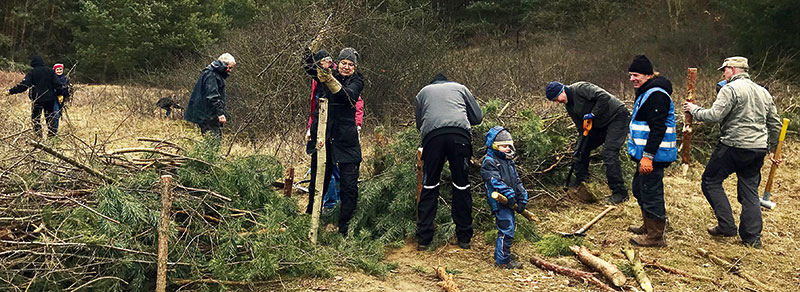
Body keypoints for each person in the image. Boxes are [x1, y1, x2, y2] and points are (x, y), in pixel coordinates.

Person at [683, 56, 782, 248]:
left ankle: (727, 225)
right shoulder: (763, 92)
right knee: (750, 192)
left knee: (710, 181)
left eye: (724, 70)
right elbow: (775, 123)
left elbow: (714, 115)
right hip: (757, 149)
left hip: (733, 146)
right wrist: (772, 149)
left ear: (733, 69)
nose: (723, 74)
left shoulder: (730, 89)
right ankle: (752, 239)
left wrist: (693, 109)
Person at [414, 73, 483, 251]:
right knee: (461, 186)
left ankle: (424, 240)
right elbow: (477, 117)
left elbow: (419, 124)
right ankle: (464, 238)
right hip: (459, 136)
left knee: (429, 186)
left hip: (433, 139)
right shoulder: (461, 88)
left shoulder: (423, 92)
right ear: (448, 82)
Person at [303, 47, 364, 237]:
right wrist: (310, 48)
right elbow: (308, 66)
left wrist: (329, 79)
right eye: (344, 63)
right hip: (324, 138)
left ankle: (345, 227)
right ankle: (311, 219)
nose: (347, 67)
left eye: (350, 65)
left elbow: (347, 96)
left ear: (355, 67)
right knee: (317, 181)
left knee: (349, 184)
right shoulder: (324, 74)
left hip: (346, 139)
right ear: (339, 63)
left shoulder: (357, 81)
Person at [545, 81, 631, 204]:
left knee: (609, 152)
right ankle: (582, 186)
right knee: (581, 150)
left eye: (556, 99)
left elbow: (604, 97)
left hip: (617, 116)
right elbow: (582, 130)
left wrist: (593, 114)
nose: (557, 102)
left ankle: (620, 193)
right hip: (600, 124)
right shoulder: (569, 106)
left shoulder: (581, 88)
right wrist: (579, 147)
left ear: (562, 91)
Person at [625, 55, 677, 247]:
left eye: (635, 75)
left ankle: (655, 236)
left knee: (650, 191)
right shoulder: (646, 92)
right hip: (647, 155)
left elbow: (658, 129)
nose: (632, 79)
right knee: (639, 188)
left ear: (647, 75)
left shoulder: (656, 95)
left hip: (655, 156)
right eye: (630, 75)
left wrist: (648, 157)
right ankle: (648, 225)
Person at [482, 126, 527, 269]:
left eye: (509, 146)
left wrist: (522, 195)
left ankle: (502, 254)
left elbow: (516, 180)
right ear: (494, 146)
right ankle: (503, 261)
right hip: (499, 201)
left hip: (510, 201)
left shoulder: (508, 162)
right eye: (503, 146)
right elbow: (495, 181)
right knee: (506, 229)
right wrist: (509, 194)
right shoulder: (489, 162)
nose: (507, 148)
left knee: (510, 228)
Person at [5, 56, 66, 139]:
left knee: (36, 119)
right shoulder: (50, 71)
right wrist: (60, 95)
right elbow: (58, 85)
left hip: (37, 99)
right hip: (50, 99)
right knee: (50, 119)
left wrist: (11, 91)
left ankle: (38, 137)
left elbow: (24, 86)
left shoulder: (32, 72)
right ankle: (51, 137)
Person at [184, 53, 235, 139]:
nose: (230, 70)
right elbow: (212, 96)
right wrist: (220, 114)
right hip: (207, 114)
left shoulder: (214, 74)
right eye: (229, 67)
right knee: (213, 140)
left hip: (209, 114)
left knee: (212, 139)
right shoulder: (211, 75)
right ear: (223, 65)